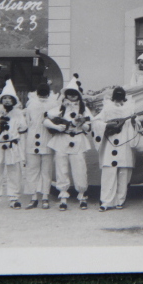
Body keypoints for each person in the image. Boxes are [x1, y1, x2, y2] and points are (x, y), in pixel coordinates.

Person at [44, 75, 93, 211]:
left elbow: (89, 127)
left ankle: (82, 196)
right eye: (69, 94)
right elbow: (46, 119)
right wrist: (57, 126)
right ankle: (63, 197)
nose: (72, 97)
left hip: (77, 141)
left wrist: (82, 123)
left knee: (80, 169)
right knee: (61, 169)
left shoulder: (83, 109)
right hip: (62, 140)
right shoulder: (60, 108)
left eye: (74, 94)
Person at [0, 79, 27, 211]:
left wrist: (14, 127)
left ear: (14, 101)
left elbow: (23, 128)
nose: (7, 101)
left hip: (11, 146)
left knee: (14, 172)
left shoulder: (18, 114)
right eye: (5, 98)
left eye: (10, 98)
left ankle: (13, 198)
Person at [94, 87, 137, 212]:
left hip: (125, 142)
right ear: (113, 97)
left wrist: (134, 123)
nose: (118, 99)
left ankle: (120, 200)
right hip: (110, 143)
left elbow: (137, 125)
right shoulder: (107, 108)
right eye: (116, 96)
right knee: (109, 172)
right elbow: (96, 121)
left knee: (124, 172)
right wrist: (107, 125)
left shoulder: (130, 108)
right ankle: (106, 201)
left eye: (121, 96)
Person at [23, 84, 59, 210]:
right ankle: (35, 197)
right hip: (35, 140)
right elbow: (27, 123)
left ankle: (43, 197)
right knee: (35, 170)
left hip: (46, 139)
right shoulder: (32, 105)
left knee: (44, 171)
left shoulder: (53, 105)